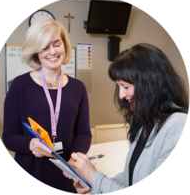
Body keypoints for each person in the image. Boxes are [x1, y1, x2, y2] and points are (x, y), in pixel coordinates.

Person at [64, 43, 189, 194]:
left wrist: (95, 178)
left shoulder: (178, 125)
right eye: (119, 87)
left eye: (126, 87)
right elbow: (130, 177)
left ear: (152, 81)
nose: (121, 95)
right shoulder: (145, 122)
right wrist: (94, 187)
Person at [2, 19, 92, 193]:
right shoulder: (19, 85)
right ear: (36, 51)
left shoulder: (78, 87)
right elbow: (9, 136)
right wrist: (30, 144)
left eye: (57, 44)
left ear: (64, 45)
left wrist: (75, 159)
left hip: (67, 173)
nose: (52, 51)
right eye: (44, 47)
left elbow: (83, 132)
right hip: (30, 171)